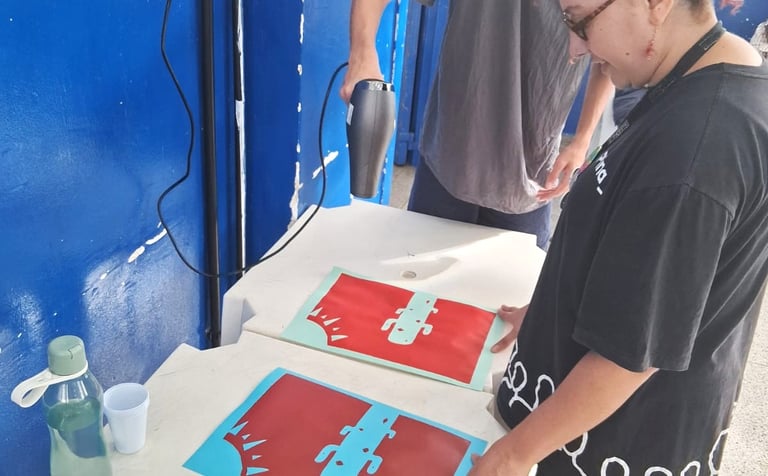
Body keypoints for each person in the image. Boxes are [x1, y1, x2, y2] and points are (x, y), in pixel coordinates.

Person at [472, 0, 766, 474]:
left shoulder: (696, 148)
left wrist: (513, 455)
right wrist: (553, 307)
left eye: (580, 21)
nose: (573, 48)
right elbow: (646, 258)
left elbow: (630, 354)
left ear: (656, 5)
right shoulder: (693, 75)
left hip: (602, 446)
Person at [341, 0, 615, 250]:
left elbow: (610, 50)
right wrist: (362, 55)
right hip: (449, 158)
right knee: (412, 276)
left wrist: (582, 140)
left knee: (511, 285)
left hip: (529, 174)